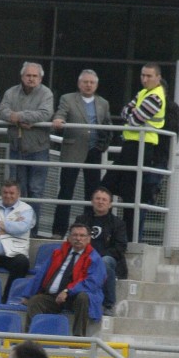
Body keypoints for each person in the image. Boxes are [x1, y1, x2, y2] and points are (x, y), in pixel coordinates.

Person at [102, 63, 166, 241]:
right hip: (131, 145)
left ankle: (127, 237)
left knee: (130, 194)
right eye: (143, 75)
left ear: (158, 77)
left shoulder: (155, 96)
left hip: (142, 147)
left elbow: (134, 119)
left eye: (149, 76)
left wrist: (132, 114)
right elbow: (125, 112)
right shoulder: (144, 93)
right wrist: (132, 114)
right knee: (110, 185)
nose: (144, 79)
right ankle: (112, 230)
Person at [52, 70, 112, 238]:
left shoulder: (103, 103)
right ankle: (58, 231)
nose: (88, 85)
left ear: (96, 85)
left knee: (92, 193)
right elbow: (61, 113)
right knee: (66, 192)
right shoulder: (68, 98)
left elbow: (107, 124)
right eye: (85, 82)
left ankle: (89, 231)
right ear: (79, 84)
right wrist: (58, 120)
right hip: (73, 150)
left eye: (92, 82)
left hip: (94, 151)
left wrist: (104, 145)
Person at [0, 62, 53, 228]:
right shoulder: (11, 92)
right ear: (22, 76)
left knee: (36, 191)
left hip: (39, 149)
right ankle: (17, 227)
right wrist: (27, 118)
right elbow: (1, 112)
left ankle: (32, 230)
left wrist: (20, 116)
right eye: (28, 75)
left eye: (35, 76)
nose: (31, 79)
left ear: (40, 78)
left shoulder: (46, 93)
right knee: (18, 191)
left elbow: (45, 114)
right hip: (17, 149)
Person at [24, 223, 106, 336]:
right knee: (35, 301)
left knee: (83, 297)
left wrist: (67, 291)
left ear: (88, 239)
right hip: (53, 297)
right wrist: (28, 294)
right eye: (75, 235)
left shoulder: (95, 258)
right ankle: (30, 338)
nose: (78, 238)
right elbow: (41, 274)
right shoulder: (58, 253)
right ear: (69, 238)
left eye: (82, 236)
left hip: (75, 299)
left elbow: (92, 283)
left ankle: (78, 339)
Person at [73, 187, 128, 314]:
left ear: (110, 204)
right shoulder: (81, 220)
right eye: (97, 199)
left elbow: (120, 248)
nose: (100, 202)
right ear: (92, 201)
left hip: (108, 259)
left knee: (103, 263)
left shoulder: (118, 223)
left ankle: (108, 305)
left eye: (104, 200)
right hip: (83, 256)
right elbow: (72, 239)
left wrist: (96, 257)